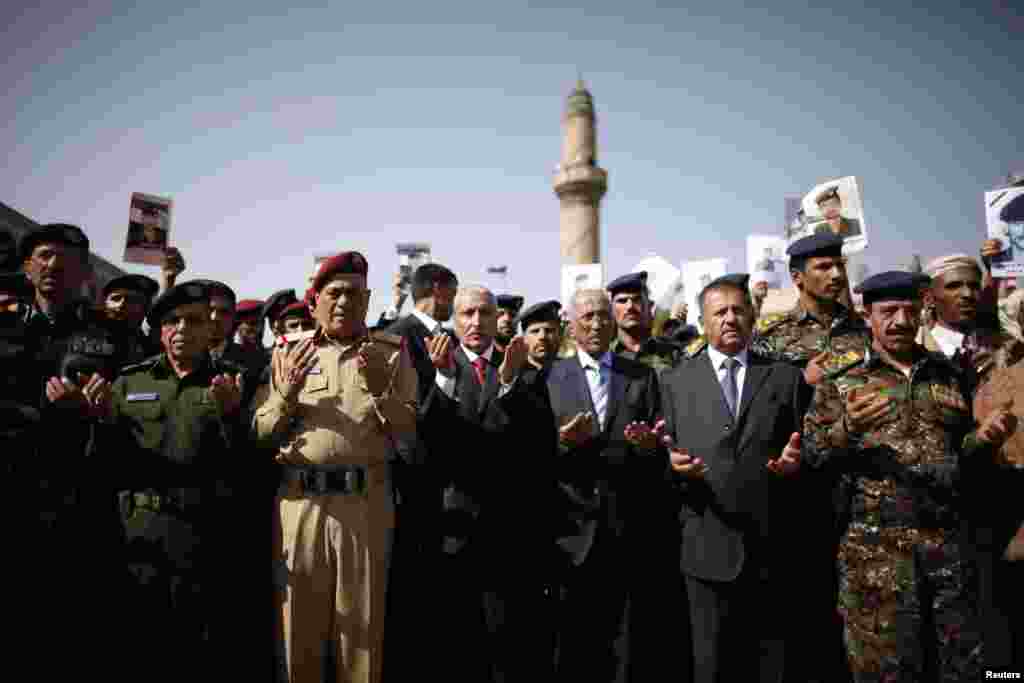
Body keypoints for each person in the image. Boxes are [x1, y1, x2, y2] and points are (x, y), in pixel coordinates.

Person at [802, 271, 994, 681]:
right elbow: (813, 457)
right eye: (888, 312)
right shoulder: (843, 381)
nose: (901, 321)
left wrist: (984, 440)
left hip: (948, 555)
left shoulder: (947, 373)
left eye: (910, 311)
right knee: (885, 672)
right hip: (875, 559)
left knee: (962, 668)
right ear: (867, 317)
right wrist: (847, 430)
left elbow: (960, 458)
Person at [661, 273, 840, 683]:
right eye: (719, 312)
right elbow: (658, 461)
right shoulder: (673, 381)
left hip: (771, 550)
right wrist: (670, 466)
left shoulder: (783, 377)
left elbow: (811, 451)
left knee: (771, 666)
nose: (729, 318)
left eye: (738, 310)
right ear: (704, 321)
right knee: (713, 666)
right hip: (705, 549)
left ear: (752, 316)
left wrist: (799, 465)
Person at [252, 252, 417, 683]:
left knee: (360, 631)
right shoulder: (289, 352)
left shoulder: (391, 353)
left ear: (368, 300)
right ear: (314, 303)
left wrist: (382, 393)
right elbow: (260, 431)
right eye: (334, 293)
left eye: (354, 293)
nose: (344, 302)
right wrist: (286, 394)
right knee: (299, 630)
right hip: (300, 506)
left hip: (364, 505)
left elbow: (410, 436)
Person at [96, 280, 248, 679]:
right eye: (172, 321)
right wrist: (94, 419)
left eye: (193, 321)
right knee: (138, 645)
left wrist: (232, 415)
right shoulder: (131, 381)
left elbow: (250, 464)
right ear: (160, 330)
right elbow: (104, 459)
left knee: (199, 652)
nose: (182, 329)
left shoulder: (234, 382)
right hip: (138, 531)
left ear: (209, 328)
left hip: (204, 534)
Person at [419, 285, 559, 682]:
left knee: (509, 649)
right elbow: (427, 447)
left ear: (499, 318)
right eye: (467, 314)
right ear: (454, 320)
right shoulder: (438, 367)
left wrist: (510, 383)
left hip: (509, 537)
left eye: (484, 313)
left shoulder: (524, 370)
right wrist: (443, 379)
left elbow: (539, 451)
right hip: (453, 532)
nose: (476, 322)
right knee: (457, 649)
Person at [545, 287, 675, 682]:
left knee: (626, 637)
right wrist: (563, 443)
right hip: (570, 529)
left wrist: (651, 446)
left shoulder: (641, 375)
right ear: (571, 324)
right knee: (574, 638)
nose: (599, 323)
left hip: (627, 527)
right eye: (588, 317)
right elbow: (531, 452)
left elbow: (660, 445)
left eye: (604, 315)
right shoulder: (550, 376)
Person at [919, 254, 1024, 672]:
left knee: (1004, 621)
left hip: (1001, 506)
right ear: (930, 296)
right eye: (953, 286)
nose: (965, 294)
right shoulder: (915, 352)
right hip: (937, 509)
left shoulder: (1004, 350)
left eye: (971, 286)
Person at [606, 271, 683, 374]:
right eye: (622, 301)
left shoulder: (673, 353)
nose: (630, 307)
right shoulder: (605, 356)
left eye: (637, 299)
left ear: (650, 306)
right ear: (611, 310)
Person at [101, 273, 160, 364]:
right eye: (116, 298)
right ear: (105, 303)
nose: (121, 305)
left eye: (132, 300)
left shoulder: (150, 343)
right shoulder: (85, 330)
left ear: (145, 308)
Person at [518, 299, 562, 370]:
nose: (542, 336)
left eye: (549, 330)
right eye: (535, 331)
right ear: (524, 338)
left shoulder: (572, 369)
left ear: (559, 335)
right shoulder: (514, 374)